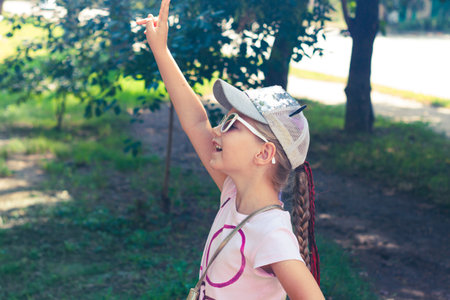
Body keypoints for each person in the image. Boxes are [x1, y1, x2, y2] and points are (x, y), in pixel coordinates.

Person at [137, 1, 324, 299]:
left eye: (232, 124)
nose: (217, 130)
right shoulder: (232, 195)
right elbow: (197, 123)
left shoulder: (271, 234)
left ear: (263, 154)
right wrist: (161, 50)